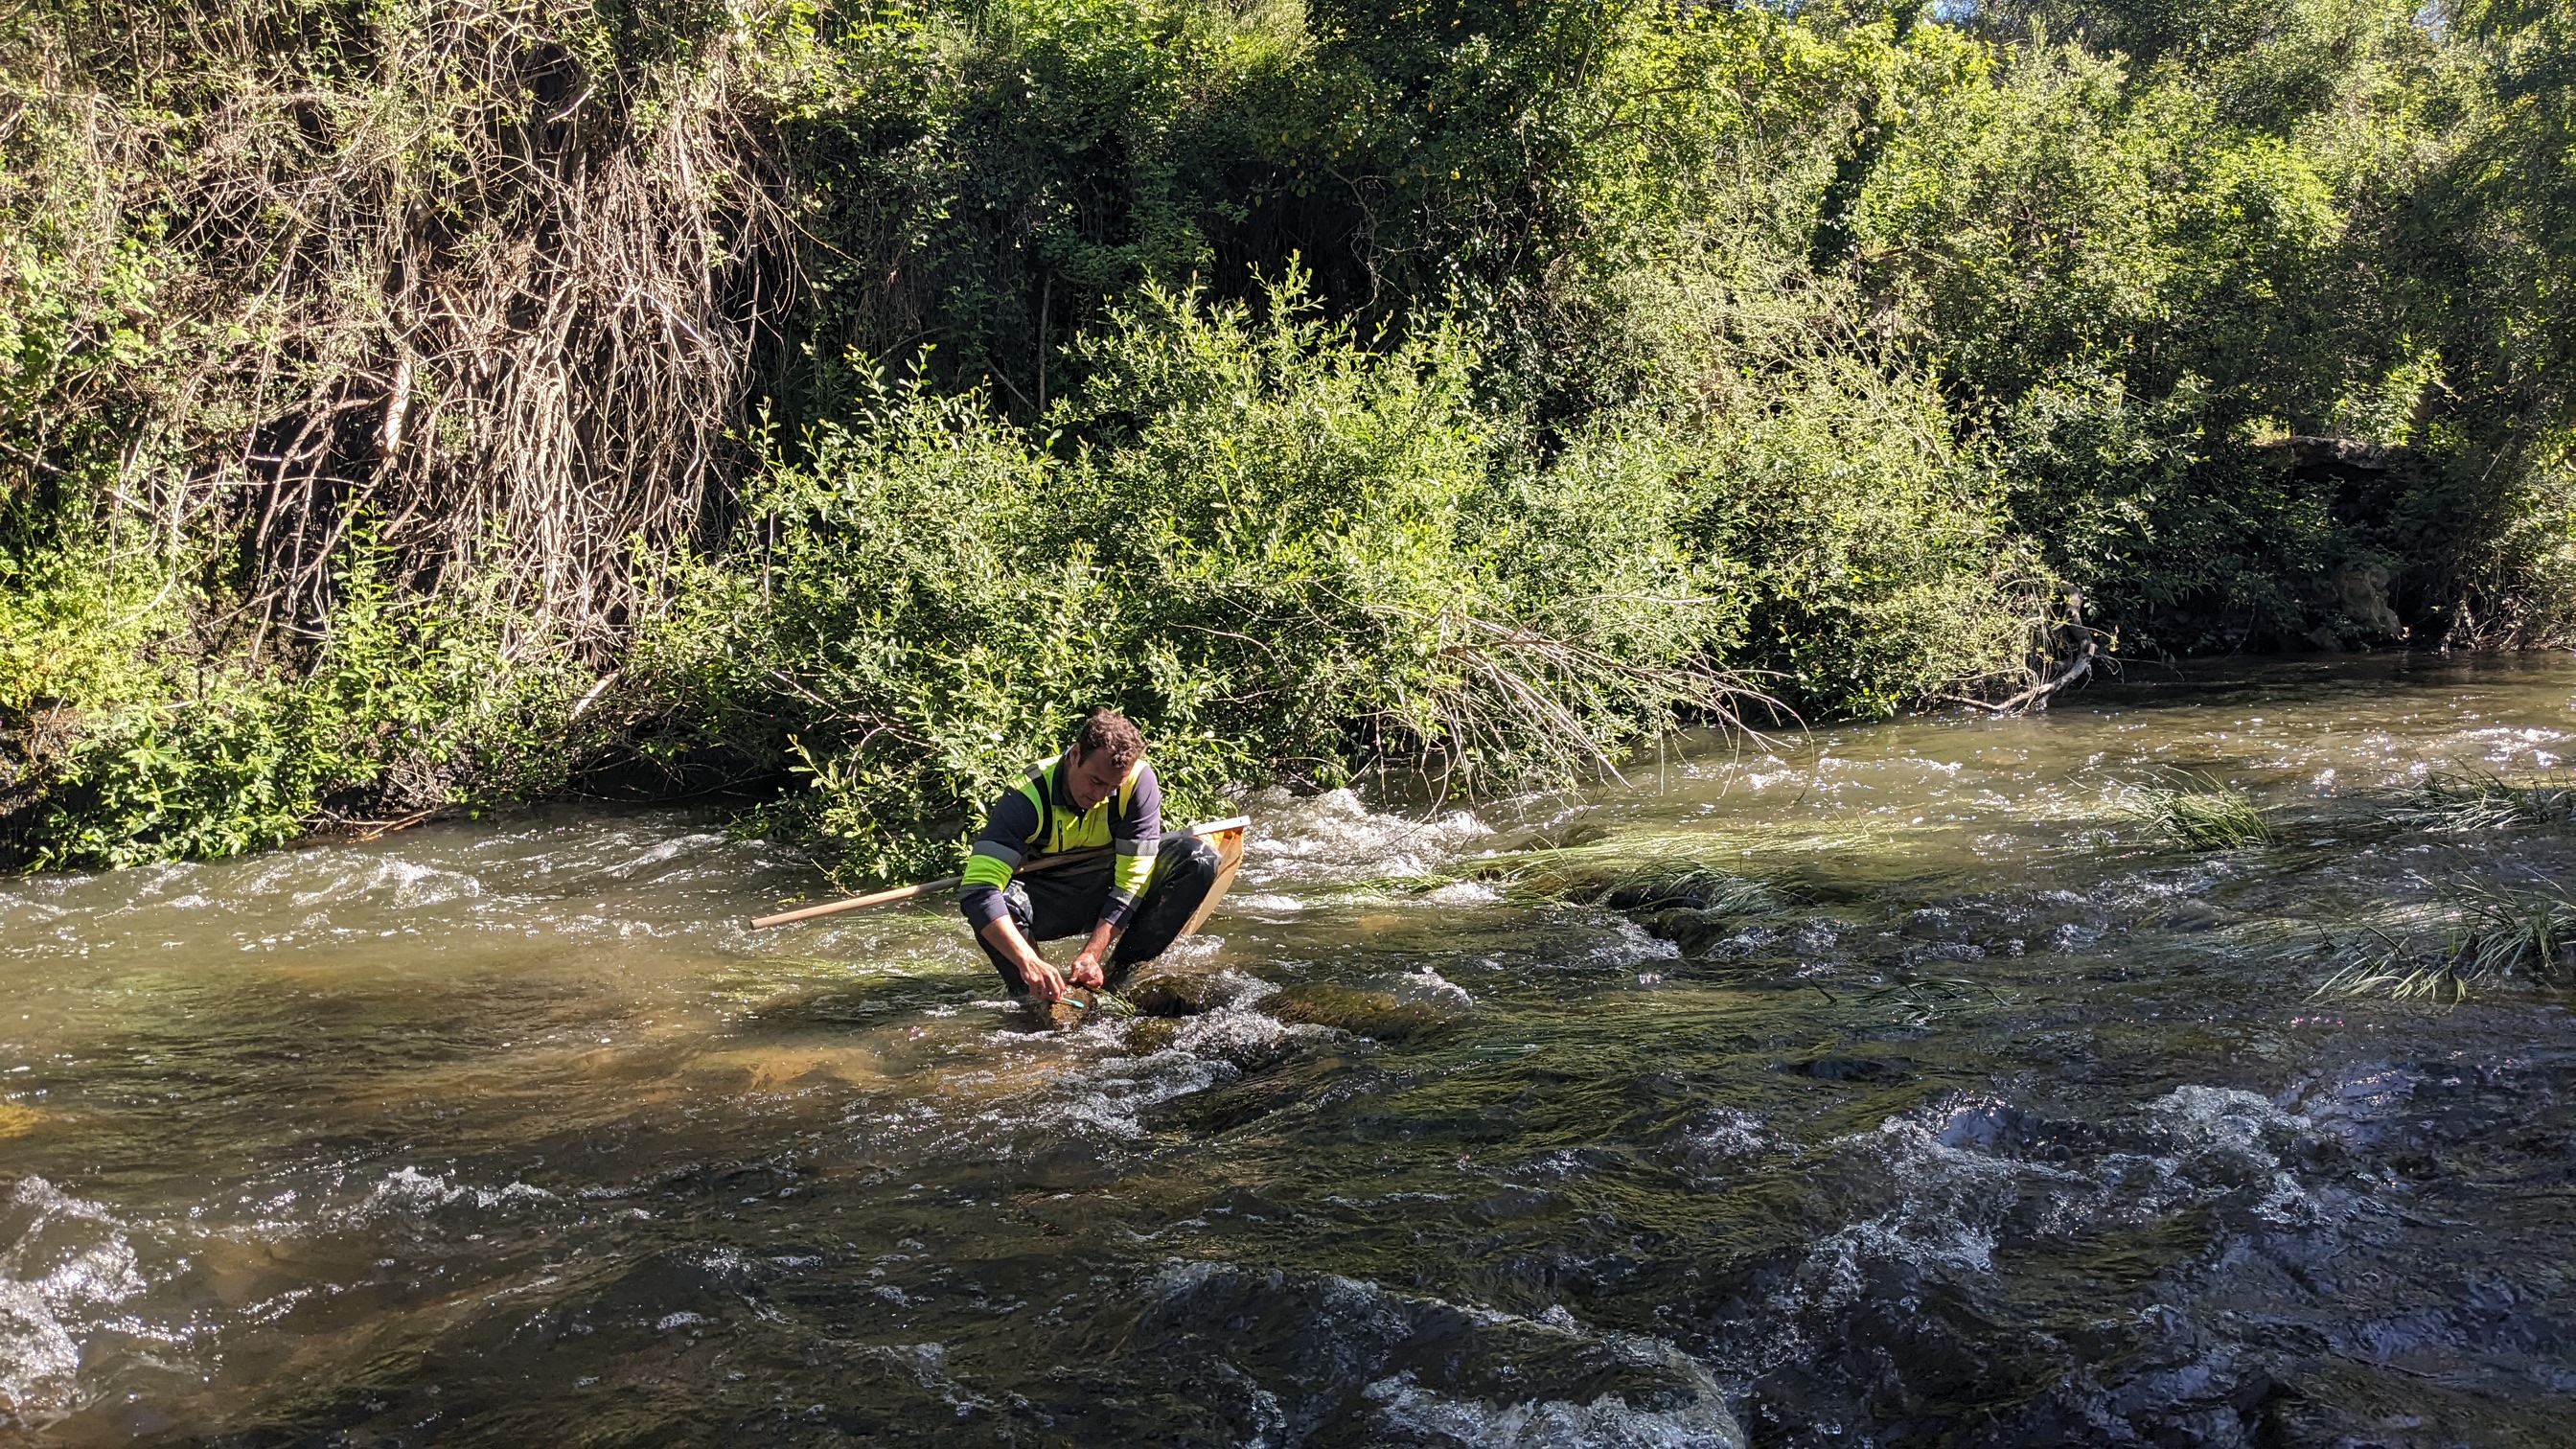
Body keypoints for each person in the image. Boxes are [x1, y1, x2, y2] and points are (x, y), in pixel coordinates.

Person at [957, 710, 1220, 1001]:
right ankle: (1034, 993)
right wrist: (1027, 961)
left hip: (1105, 889)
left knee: (1197, 859)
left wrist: (1091, 954)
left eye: (1112, 787)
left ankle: (1118, 978)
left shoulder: (1138, 784)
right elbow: (977, 890)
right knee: (998, 904)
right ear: (1075, 754)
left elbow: (1133, 881)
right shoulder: (1026, 797)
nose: (1101, 795)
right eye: (1095, 781)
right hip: (1050, 898)